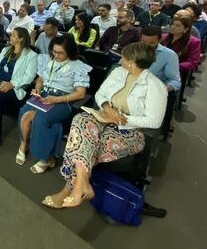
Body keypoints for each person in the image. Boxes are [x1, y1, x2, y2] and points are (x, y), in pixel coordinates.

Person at [42, 42, 167, 209]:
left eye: (124, 57)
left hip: (130, 131)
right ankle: (83, 186)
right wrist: (108, 108)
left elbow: (154, 121)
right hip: (104, 117)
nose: (121, 59)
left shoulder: (155, 86)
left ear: (132, 62)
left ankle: (70, 189)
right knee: (80, 120)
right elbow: (100, 94)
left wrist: (122, 119)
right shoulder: (118, 72)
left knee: (85, 144)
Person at [17, 35, 91, 173]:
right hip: (45, 95)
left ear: (69, 52)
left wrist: (56, 100)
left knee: (41, 119)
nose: (56, 55)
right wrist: (38, 89)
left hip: (63, 100)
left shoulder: (77, 66)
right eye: (54, 51)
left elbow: (80, 93)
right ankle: (24, 144)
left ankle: (45, 158)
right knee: (24, 112)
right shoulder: (48, 60)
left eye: (60, 53)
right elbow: (40, 79)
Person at [141, 26, 181, 92]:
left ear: (159, 40)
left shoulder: (169, 55)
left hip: (152, 90)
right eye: (143, 41)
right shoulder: (133, 50)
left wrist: (161, 90)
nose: (146, 46)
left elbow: (175, 81)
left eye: (151, 43)